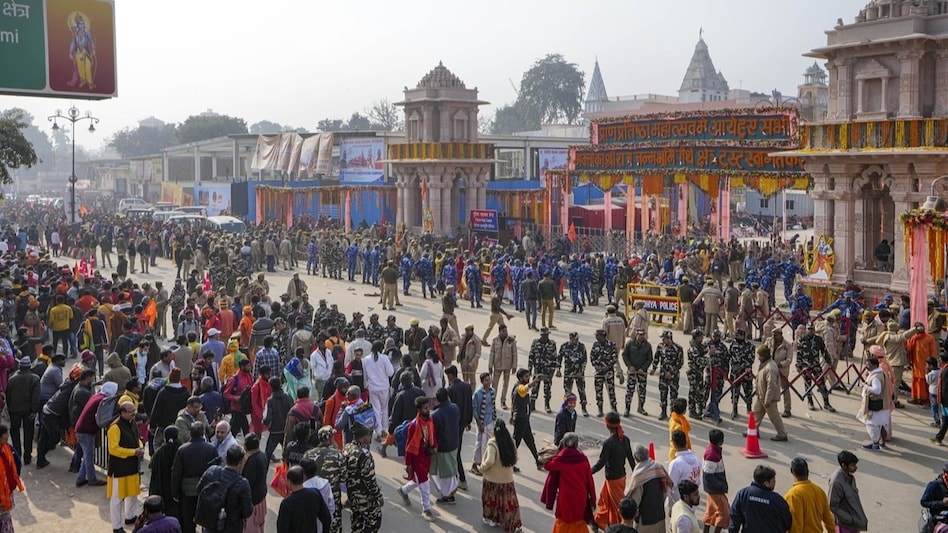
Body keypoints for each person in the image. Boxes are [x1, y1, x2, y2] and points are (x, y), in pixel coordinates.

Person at [541, 432, 596, 533]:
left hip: (565, 497)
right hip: (580, 496)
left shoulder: (561, 458)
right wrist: (593, 498)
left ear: (564, 443)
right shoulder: (583, 458)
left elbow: (547, 465)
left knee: (564, 521)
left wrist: (555, 452)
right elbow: (590, 481)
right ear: (576, 444)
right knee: (578, 520)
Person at [171, 422, 218, 533]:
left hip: (187, 490)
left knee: (188, 519)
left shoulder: (182, 449)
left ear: (190, 433)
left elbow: (176, 472)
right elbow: (215, 469)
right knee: (206, 518)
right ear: (203, 433)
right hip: (206, 489)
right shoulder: (211, 448)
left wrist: (174, 492)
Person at [396, 396, 437, 521]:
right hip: (417, 459)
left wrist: (434, 446)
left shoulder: (429, 420)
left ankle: (403, 490)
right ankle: (427, 509)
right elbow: (408, 446)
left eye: (428, 407)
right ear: (419, 410)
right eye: (425, 408)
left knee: (418, 480)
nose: (428, 409)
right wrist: (408, 464)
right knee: (424, 483)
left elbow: (433, 436)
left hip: (426, 456)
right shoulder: (413, 426)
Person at [592, 412, 635, 530]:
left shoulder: (608, 443)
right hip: (621, 477)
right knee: (604, 500)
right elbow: (631, 458)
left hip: (613, 479)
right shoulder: (625, 439)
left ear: (607, 426)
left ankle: (618, 528)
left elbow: (601, 462)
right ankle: (599, 521)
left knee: (618, 507)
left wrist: (590, 471)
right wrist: (636, 472)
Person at [195, 445, 252, 533]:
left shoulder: (211, 471)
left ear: (226, 458)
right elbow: (247, 511)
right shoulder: (243, 483)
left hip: (209, 523)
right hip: (231, 527)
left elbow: (199, 489)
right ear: (241, 462)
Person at [108, 401, 145, 533]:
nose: (134, 414)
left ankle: (130, 516)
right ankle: (116, 526)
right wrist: (133, 452)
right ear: (122, 413)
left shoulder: (132, 423)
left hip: (132, 466)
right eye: (131, 412)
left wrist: (139, 446)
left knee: (132, 493)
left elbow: (136, 438)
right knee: (117, 499)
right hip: (119, 468)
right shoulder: (115, 428)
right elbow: (114, 449)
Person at [479, 419, 523, 532]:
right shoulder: (510, 441)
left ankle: (492, 519)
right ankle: (509, 522)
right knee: (507, 503)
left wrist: (481, 468)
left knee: (491, 501)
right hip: (507, 479)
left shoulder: (492, 443)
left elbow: (489, 461)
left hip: (493, 479)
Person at [343, 422, 384, 532]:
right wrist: (378, 496)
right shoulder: (364, 454)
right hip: (365, 498)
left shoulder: (347, 448)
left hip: (352, 496)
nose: (370, 437)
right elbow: (369, 479)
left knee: (357, 525)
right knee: (373, 523)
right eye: (368, 435)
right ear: (362, 437)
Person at [304, 426, 345, 533]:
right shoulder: (337, 454)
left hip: (311, 496)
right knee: (333, 525)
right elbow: (344, 477)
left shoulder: (309, 454)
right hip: (332, 496)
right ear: (330, 438)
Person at [728, 465, 792, 533]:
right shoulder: (777, 500)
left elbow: (734, 518)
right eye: (773, 480)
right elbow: (787, 523)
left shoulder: (743, 494)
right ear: (766, 483)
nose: (775, 482)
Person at [625, 443, 672, 533]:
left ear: (636, 457)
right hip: (659, 513)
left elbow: (634, 501)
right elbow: (666, 489)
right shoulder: (658, 467)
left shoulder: (639, 475)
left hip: (646, 519)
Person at [784, 457, 834, 533]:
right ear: (808, 471)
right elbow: (829, 520)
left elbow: (797, 525)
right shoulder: (819, 491)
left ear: (792, 471)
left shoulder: (793, 495)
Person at [276, 465, 332, 533]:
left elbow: (282, 529)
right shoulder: (314, 493)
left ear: (289, 482)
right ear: (303, 478)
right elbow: (326, 517)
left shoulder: (286, 503)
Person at [6, 357, 40, 465]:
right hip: (28, 410)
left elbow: (8, 396)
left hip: (14, 409)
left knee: (15, 431)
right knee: (28, 432)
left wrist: (10, 409)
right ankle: (27, 456)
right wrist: (34, 411)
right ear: (30, 367)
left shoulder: (12, 379)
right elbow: (36, 397)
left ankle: (17, 454)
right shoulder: (34, 378)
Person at [751, 344, 788, 441]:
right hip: (761, 396)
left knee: (774, 417)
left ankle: (782, 434)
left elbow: (771, 385)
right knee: (756, 414)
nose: (758, 358)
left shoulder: (770, 368)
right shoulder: (765, 365)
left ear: (763, 356)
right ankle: (754, 431)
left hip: (768, 398)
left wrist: (768, 400)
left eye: (759, 355)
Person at [431, 387, 461, 504]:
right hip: (454, 443)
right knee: (451, 468)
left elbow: (434, 433)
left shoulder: (435, 415)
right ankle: (451, 490)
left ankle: (448, 495)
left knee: (445, 473)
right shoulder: (455, 407)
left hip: (443, 447)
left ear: (437, 399)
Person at [446, 365, 473, 490]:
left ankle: (461, 478)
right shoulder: (467, 386)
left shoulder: (450, 389)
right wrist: (469, 421)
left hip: (454, 424)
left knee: (455, 452)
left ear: (451, 375)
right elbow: (469, 405)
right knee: (457, 450)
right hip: (464, 422)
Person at [510, 368, 542, 470]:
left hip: (524, 418)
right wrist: (535, 381)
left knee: (530, 441)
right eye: (526, 377)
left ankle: (538, 461)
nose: (528, 378)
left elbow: (513, 403)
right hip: (520, 419)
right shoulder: (519, 388)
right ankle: (509, 463)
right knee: (516, 442)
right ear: (520, 378)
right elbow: (525, 389)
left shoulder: (518, 387)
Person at [828, 450, 868, 533]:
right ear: (844, 465)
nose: (855, 467)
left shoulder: (850, 477)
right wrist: (849, 519)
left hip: (853, 522)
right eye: (852, 465)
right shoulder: (836, 482)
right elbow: (833, 506)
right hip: (845, 525)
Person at [857, 355, 890, 451]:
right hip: (882, 404)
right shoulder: (880, 373)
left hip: (875, 405)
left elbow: (877, 390)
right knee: (878, 424)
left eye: (868, 365)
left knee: (872, 424)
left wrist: (866, 387)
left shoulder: (875, 377)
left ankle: (875, 444)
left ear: (875, 365)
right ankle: (877, 443)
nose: (867, 366)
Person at [148, 427, 180, 521]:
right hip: (176, 490)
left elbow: (152, 467)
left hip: (161, 488)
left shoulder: (159, 453)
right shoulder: (180, 450)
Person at [701, 429, 729, 533]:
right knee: (724, 514)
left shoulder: (711, 450)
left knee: (711, 512)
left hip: (712, 488)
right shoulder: (712, 455)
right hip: (715, 489)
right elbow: (708, 475)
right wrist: (721, 486)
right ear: (721, 441)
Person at [667, 430, 701, 515]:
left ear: (674, 444)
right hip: (692, 502)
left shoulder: (676, 464)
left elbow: (670, 486)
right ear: (686, 441)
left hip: (680, 504)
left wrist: (671, 507)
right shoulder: (697, 460)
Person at [241, 434, 270, 533]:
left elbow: (248, 483)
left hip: (253, 502)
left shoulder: (252, 460)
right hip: (260, 497)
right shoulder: (262, 455)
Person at [470, 372, 496, 476]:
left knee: (489, 444)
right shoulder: (477, 394)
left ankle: (485, 464)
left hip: (490, 422)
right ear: (482, 382)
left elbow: (493, 407)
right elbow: (475, 410)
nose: (489, 382)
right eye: (486, 380)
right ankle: (474, 465)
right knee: (479, 444)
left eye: (489, 380)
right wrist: (479, 424)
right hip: (482, 422)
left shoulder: (492, 391)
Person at [0, 425, 23, 533]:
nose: (8, 436)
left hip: (6, 492)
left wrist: (13, 481)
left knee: (5, 518)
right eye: (6, 434)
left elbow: (17, 463)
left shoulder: (8, 448)